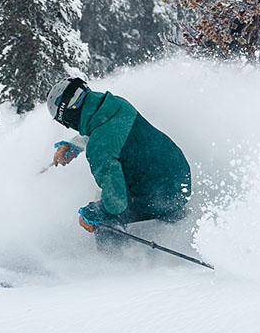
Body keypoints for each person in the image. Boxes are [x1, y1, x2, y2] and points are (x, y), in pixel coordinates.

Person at [46, 77, 191, 245]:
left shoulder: (99, 149)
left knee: (104, 213)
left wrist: (91, 214)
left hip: (160, 198)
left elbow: (116, 203)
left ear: (69, 117)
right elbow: (106, 130)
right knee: (116, 183)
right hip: (180, 178)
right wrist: (74, 145)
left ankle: (119, 265)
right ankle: (176, 213)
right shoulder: (117, 105)